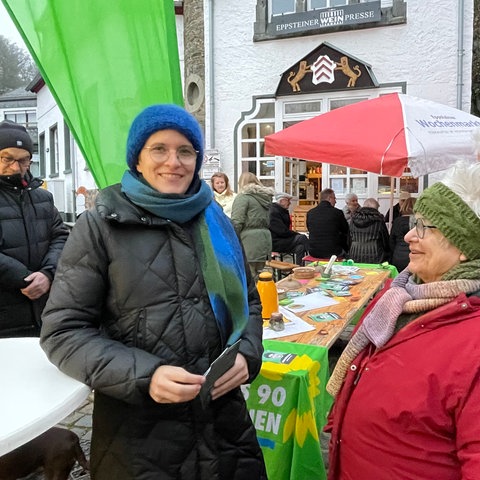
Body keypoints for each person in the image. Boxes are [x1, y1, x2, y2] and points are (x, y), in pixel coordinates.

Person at [40, 104, 267, 480]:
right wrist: (146, 376)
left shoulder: (218, 223)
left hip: (225, 429)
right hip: (139, 441)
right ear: (138, 160)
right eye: (159, 149)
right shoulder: (100, 227)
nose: (173, 162)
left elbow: (250, 304)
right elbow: (63, 333)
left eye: (185, 151)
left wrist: (247, 352)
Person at [325, 161, 480, 480]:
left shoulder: (472, 337)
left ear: (463, 246)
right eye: (413, 223)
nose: (409, 235)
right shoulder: (403, 296)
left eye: (424, 227)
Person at [0, 120, 68, 338]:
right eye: (7, 158)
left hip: (44, 313)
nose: (15, 167)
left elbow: (61, 237)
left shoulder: (43, 198)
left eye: (23, 160)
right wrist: (26, 279)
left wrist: (48, 273)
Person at [231, 172, 275, 278]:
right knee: (262, 276)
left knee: (248, 276)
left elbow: (237, 221)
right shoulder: (265, 198)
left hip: (248, 240)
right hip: (264, 238)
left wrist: (232, 239)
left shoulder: (243, 197)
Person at [307, 188, 349, 259]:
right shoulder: (337, 213)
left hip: (314, 251)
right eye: (334, 199)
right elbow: (346, 230)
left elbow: (309, 229)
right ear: (329, 198)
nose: (335, 202)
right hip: (333, 252)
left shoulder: (310, 213)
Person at [269, 192, 309, 265]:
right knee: (302, 238)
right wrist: (296, 234)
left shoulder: (280, 211)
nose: (290, 203)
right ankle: (314, 256)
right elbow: (282, 231)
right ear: (281, 201)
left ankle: (299, 269)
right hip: (276, 242)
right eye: (288, 201)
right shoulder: (273, 212)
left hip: (281, 240)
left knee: (300, 247)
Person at [348, 197, 390, 264]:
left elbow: (349, 239)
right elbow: (385, 240)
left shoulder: (353, 219)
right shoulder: (378, 220)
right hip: (375, 255)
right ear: (375, 208)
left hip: (354, 254)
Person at [389, 196, 416, 272]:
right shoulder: (418, 222)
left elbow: (391, 241)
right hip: (413, 254)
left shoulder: (397, 221)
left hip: (398, 256)